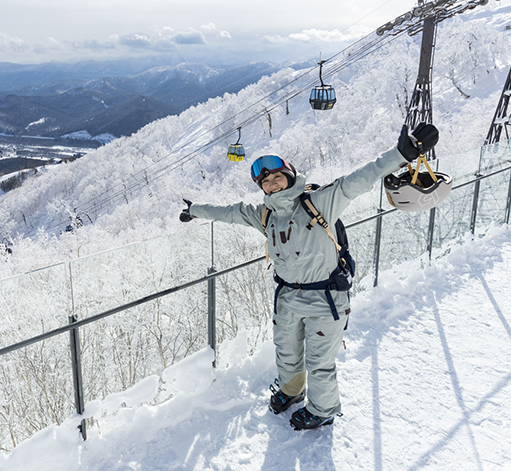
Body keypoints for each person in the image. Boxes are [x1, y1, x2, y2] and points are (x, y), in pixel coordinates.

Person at [179, 123, 439, 430]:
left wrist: (400, 155)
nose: (273, 183)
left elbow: (358, 180)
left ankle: (322, 410)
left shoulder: (319, 203)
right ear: (262, 189)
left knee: (319, 362)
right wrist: (196, 210)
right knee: (286, 351)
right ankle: (292, 390)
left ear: (289, 176)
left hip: (325, 297)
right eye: (266, 182)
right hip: (287, 297)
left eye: (277, 176)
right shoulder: (266, 215)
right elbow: (230, 213)